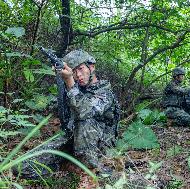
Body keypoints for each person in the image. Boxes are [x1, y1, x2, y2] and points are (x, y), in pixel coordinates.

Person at [14, 50, 120, 179]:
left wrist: (69, 80)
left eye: (81, 69)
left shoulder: (105, 92)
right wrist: (62, 79)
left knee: (84, 121)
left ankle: (90, 172)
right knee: (21, 167)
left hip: (100, 147)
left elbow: (84, 112)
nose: (78, 75)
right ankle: (70, 168)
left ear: (91, 66)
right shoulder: (76, 88)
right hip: (73, 140)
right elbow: (56, 108)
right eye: (73, 72)